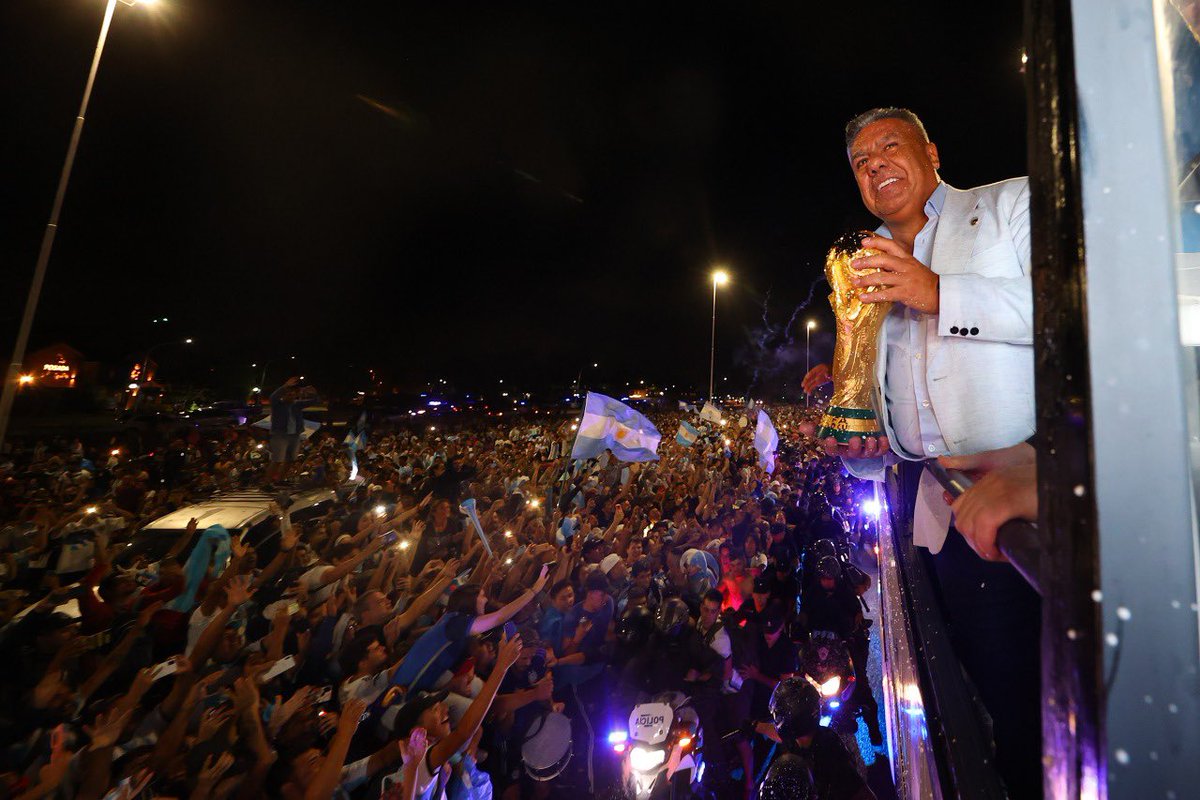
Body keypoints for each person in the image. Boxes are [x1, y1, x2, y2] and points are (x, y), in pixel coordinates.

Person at [817, 106, 1041, 798]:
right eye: (860, 160)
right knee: (961, 696)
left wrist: (937, 292)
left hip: (1020, 516)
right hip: (925, 520)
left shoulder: (1009, 206)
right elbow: (878, 415)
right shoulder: (861, 268)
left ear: (932, 151)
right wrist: (853, 418)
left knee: (1029, 700)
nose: (875, 163)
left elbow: (1071, 307)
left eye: (889, 146)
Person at [762, 677, 876, 800]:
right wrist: (753, 725)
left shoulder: (828, 751)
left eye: (778, 716)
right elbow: (778, 734)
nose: (776, 721)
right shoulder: (801, 738)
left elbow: (862, 793)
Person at [267, 377, 320, 485]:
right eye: (288, 394)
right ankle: (266, 483)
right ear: (284, 396)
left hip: (294, 434)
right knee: (277, 460)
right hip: (280, 434)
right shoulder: (278, 405)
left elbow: (315, 401)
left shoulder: (296, 405)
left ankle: (280, 480)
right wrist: (285, 386)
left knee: (291, 459)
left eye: (292, 395)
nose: (291, 396)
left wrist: (313, 393)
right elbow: (273, 397)